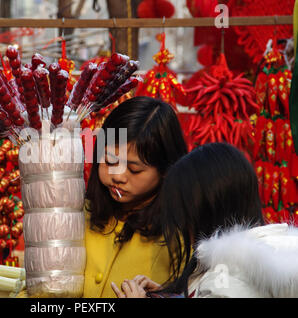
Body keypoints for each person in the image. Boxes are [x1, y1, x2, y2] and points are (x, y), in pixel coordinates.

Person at [112, 142, 298, 298]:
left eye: (183, 213)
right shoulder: (275, 254)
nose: (182, 225)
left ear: (203, 212)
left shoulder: (225, 282)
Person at [83, 96, 188, 297]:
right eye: (109, 162)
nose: (118, 176)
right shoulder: (78, 214)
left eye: (133, 169)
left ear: (167, 169)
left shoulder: (178, 236)